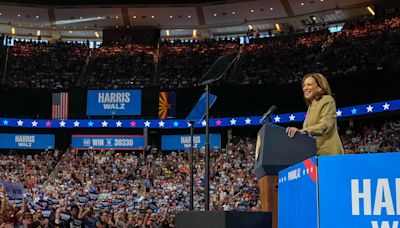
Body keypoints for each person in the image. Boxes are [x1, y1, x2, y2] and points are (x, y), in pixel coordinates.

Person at [286, 73, 344, 155]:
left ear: (319, 88)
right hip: (315, 154)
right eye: (304, 85)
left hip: (329, 154)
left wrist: (302, 130)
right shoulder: (310, 106)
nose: (305, 88)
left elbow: (325, 125)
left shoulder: (327, 100)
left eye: (309, 85)